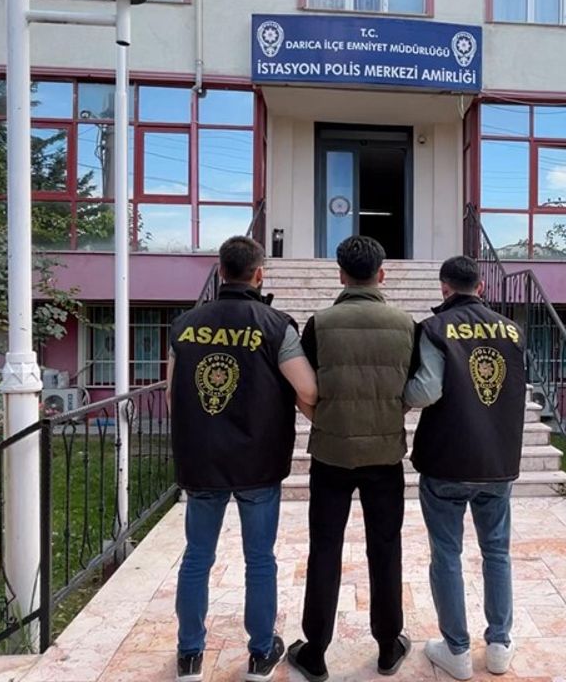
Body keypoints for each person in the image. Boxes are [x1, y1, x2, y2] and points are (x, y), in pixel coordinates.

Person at [167, 236, 318, 682]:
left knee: (197, 557)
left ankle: (189, 655)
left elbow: (173, 396)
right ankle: (260, 653)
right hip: (258, 461)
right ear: (259, 274)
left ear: (220, 271)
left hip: (202, 459)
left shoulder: (184, 326)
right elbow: (308, 389)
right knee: (259, 559)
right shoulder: (275, 325)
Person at [287, 236, 416, 681]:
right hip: (385, 454)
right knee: (386, 546)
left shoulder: (319, 324)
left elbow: (304, 387)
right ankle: (388, 647)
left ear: (340, 274)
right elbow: (414, 387)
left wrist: (321, 418)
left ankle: (316, 651)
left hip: (331, 453)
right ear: (382, 274)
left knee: (325, 547)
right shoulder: (406, 324)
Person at [403, 255, 527, 680]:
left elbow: (426, 391)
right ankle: (499, 646)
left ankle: (456, 650)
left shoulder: (435, 328)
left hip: (447, 460)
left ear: (444, 288)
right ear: (481, 287)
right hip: (497, 461)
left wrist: (397, 396)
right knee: (497, 552)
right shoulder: (512, 330)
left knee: (447, 554)